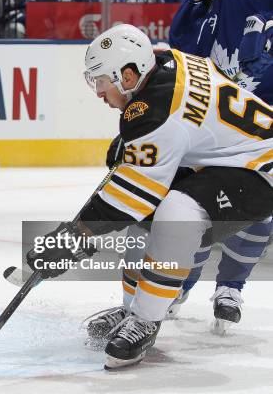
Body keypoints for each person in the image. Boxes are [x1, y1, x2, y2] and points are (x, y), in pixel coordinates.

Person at [28, 24, 272, 368]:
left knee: (176, 211)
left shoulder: (156, 111)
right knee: (152, 208)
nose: (99, 92)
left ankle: (145, 319)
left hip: (259, 172)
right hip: (229, 158)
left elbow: (132, 195)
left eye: (102, 81)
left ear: (128, 76)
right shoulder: (165, 61)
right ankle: (131, 310)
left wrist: (75, 236)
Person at [165, 0, 272, 327]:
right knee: (188, 207)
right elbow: (181, 89)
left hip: (263, 134)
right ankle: (175, 285)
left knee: (258, 207)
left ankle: (231, 287)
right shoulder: (187, 20)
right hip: (214, 134)